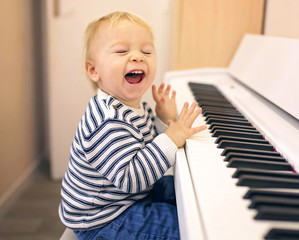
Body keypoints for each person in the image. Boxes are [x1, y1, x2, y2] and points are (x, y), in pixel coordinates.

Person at [58, 11, 206, 240]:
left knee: (187, 195)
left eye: (146, 51)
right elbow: (131, 179)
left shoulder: (130, 106)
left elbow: (144, 146)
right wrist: (171, 137)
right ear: (93, 70)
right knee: (185, 229)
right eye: (122, 51)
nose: (138, 57)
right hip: (104, 218)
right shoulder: (107, 122)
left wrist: (163, 119)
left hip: (125, 196)